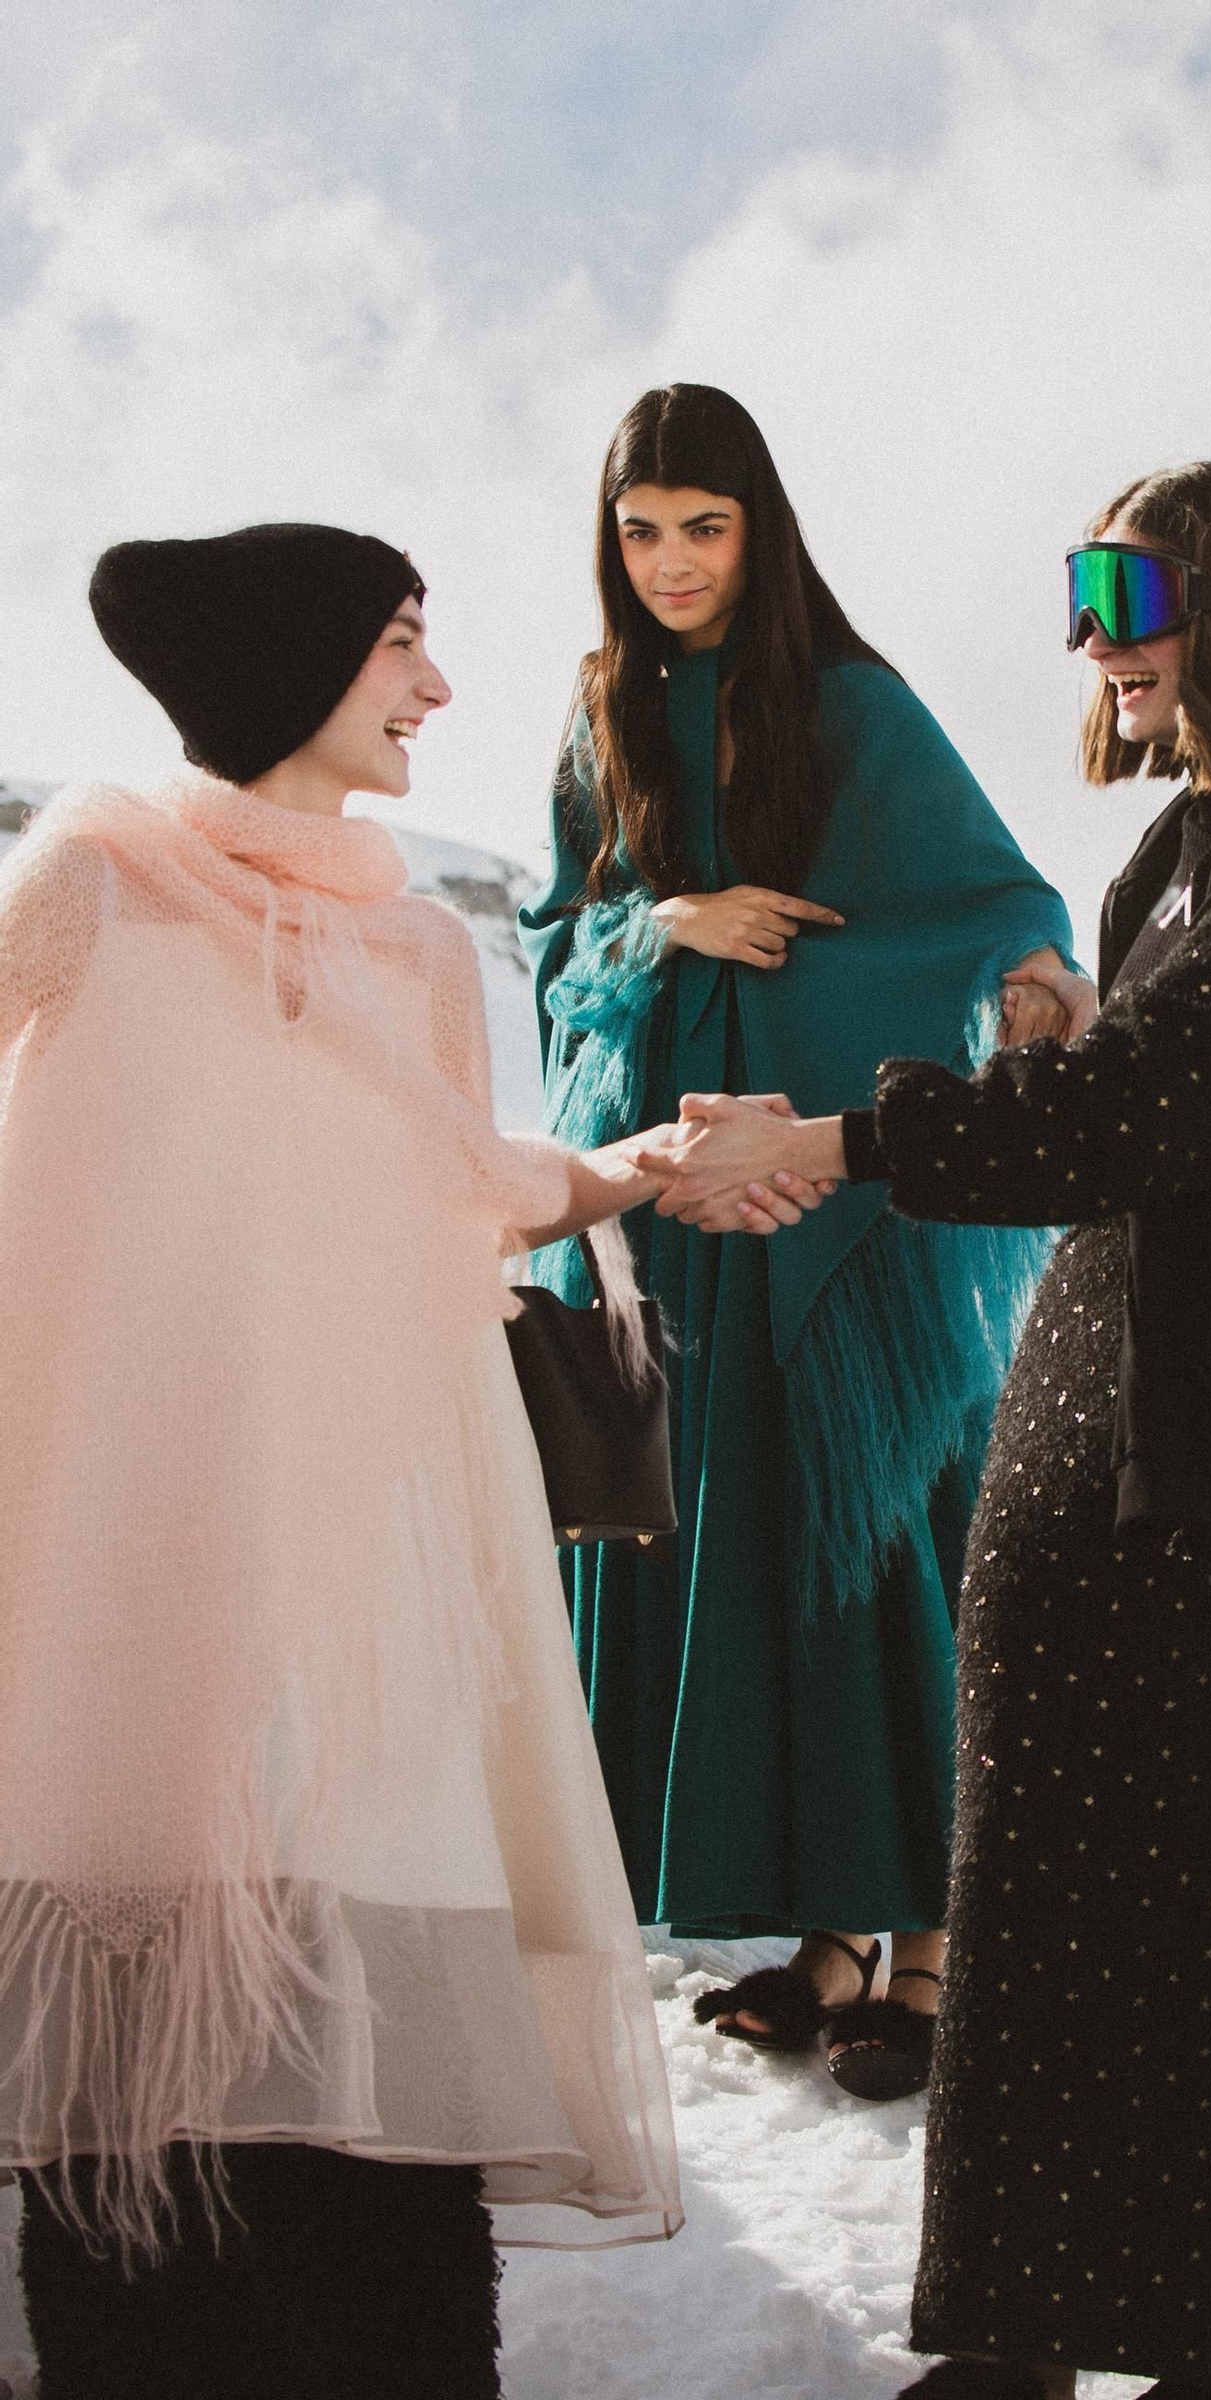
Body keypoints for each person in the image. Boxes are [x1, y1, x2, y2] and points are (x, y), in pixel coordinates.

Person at [644, 461, 1211, 2397]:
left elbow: (1197, 1100)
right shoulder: (1177, 846)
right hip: (1101, 1430)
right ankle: (1020, 2333)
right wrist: (1059, 1039)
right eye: (1076, 591)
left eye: (1120, 588)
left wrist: (850, 1137)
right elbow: (1138, 1100)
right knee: (1042, 1901)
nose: (1085, 638)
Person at [0, 521, 736, 2400]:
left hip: (363, 1584)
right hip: (135, 1567)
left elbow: (464, 1190)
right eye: (404, 643)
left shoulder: (410, 944)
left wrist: (632, 1172)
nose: (437, 687)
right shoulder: (91, 880)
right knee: (143, 2068)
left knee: (366, 2104)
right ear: (289, 668)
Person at [518, 383, 1084, 2096]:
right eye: (641, 529)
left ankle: (933, 1941)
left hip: (827, 1205)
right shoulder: (599, 710)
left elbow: (996, 906)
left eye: (706, 526)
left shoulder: (849, 700)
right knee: (739, 1534)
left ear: (759, 529)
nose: (673, 562)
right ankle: (833, 1930)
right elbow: (557, 955)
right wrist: (663, 919)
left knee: (871, 1536)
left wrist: (1013, 1002)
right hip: (676, 1201)